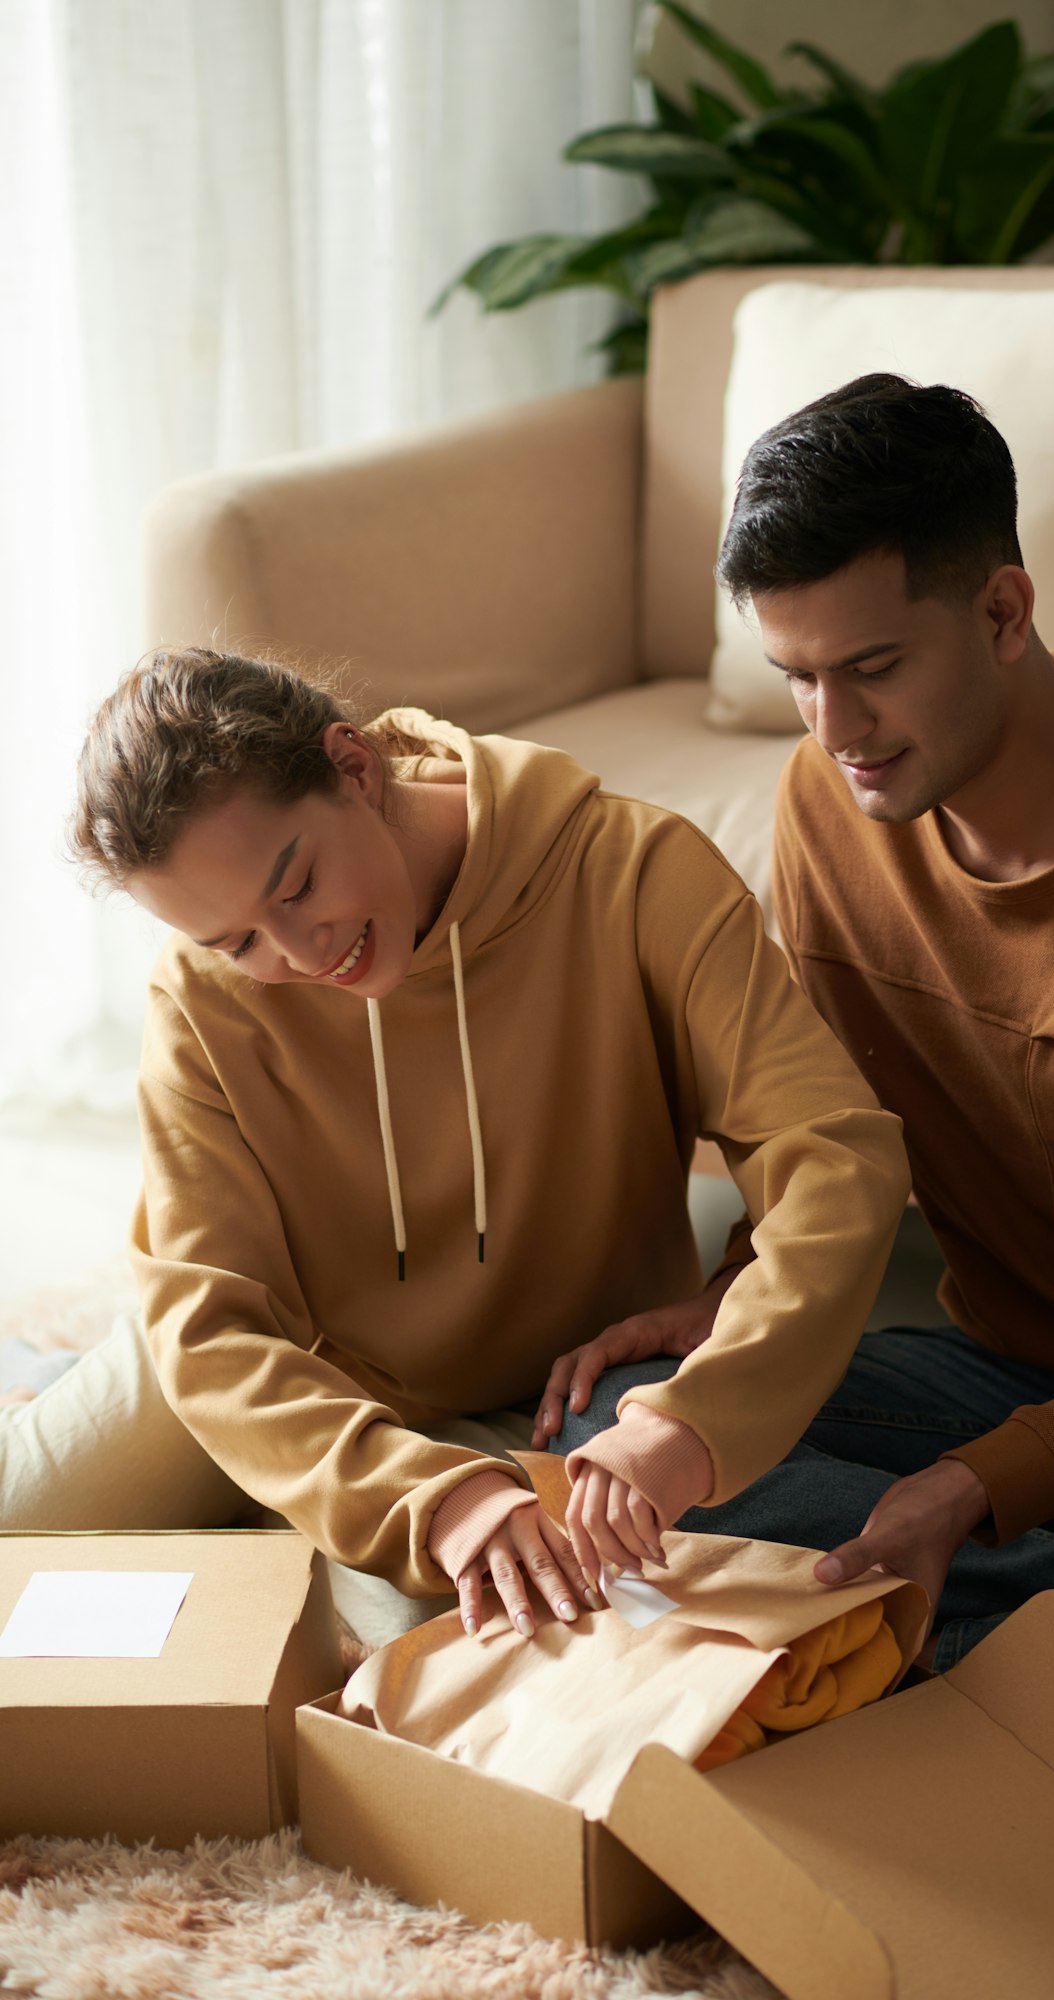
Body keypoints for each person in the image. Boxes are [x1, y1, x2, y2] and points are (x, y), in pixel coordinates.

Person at [550, 373, 1054, 1761]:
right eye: (797, 679)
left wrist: (974, 1490)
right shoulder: (829, 802)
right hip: (1005, 1368)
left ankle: (931, 1638)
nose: (835, 733)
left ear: (1002, 612)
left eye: (871, 669)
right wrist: (736, 1313)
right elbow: (823, 1124)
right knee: (620, 1437)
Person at [3, 647, 911, 1639]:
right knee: (19, 1550)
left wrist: (700, 1403)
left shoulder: (631, 872)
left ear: (354, 765)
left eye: (296, 885)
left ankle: (232, 1483)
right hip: (287, 1382)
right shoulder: (199, 997)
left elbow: (834, 1150)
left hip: (552, 1394)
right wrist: (431, 1498)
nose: (301, 955)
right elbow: (211, 1329)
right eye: (238, 942)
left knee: (437, 1666)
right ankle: (70, 1395)